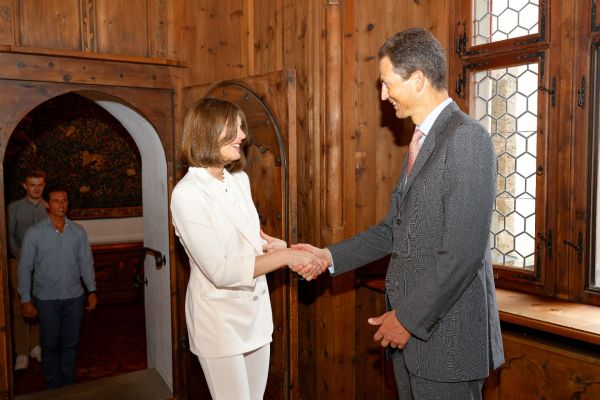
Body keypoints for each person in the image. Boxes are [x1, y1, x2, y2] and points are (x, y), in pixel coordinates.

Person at [294, 28, 505, 399]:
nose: (383, 94)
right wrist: (327, 256)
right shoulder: (423, 141)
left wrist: (406, 319)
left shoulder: (466, 139)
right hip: (413, 342)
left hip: (447, 345)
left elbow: (462, 255)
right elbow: (393, 230)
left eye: (387, 83)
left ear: (418, 80)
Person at [170, 97, 326, 400]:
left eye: (242, 127)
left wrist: (273, 246)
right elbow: (221, 270)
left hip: (255, 315)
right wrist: (286, 256)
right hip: (219, 322)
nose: (243, 135)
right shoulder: (187, 194)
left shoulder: (239, 179)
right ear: (206, 131)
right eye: (233, 127)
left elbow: (245, 241)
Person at [18, 186, 98, 388]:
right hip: (46, 299)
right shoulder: (34, 233)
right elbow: (25, 268)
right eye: (56, 200)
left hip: (74, 297)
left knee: (71, 343)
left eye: (64, 200)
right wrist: (26, 299)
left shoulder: (78, 232)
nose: (61, 205)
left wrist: (91, 290)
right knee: (50, 345)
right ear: (47, 204)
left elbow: (86, 263)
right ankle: (52, 386)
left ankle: (68, 383)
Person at [7, 170, 48, 371]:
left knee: (40, 303)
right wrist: (24, 259)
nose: (36, 189)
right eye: (32, 185)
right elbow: (9, 237)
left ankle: (36, 346)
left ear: (44, 185)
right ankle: (21, 352)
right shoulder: (13, 208)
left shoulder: (49, 207)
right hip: (18, 261)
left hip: (43, 265)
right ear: (25, 186)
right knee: (20, 306)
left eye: (40, 185)